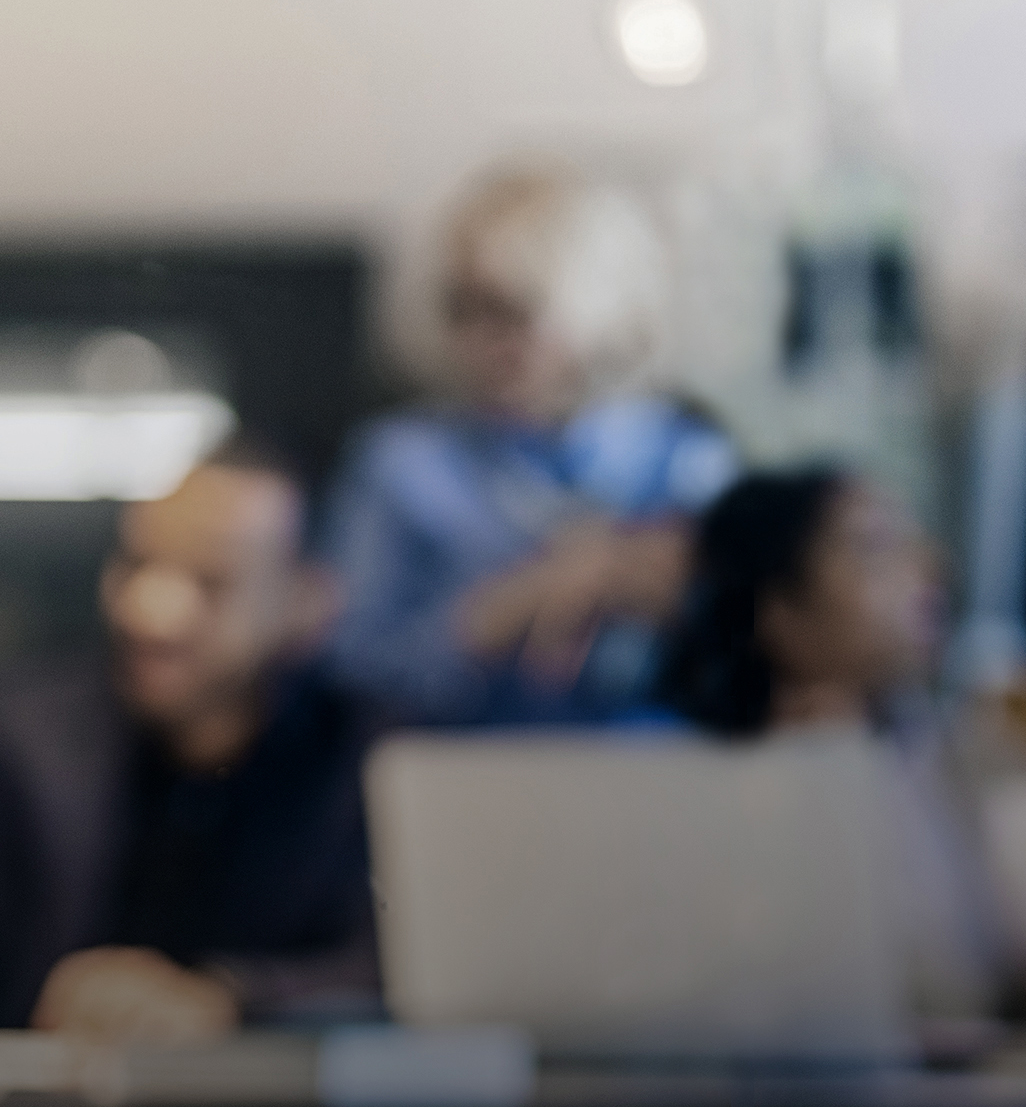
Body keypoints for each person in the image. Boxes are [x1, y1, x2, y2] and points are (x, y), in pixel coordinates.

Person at [323, 167, 736, 728]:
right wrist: (507, 607)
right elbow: (351, 669)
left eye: (512, 312)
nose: (478, 341)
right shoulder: (404, 464)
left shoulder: (685, 462)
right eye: (459, 309)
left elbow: (747, 657)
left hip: (661, 786)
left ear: (592, 304)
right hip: (463, 787)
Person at [0, 439, 377, 1040]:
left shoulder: (375, 763)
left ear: (307, 603)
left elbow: (406, 968)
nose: (151, 611)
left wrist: (233, 996)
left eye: (212, 582)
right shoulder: (26, 740)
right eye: (136, 565)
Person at [653, 468, 1000, 1022]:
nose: (926, 569)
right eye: (874, 548)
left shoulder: (914, 743)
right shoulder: (750, 802)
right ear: (782, 614)